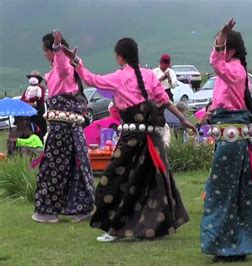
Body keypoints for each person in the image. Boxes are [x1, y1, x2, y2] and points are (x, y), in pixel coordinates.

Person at [62, 34, 194, 242]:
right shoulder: (150, 75)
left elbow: (91, 79)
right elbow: (166, 101)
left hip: (132, 139)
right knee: (148, 183)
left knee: (114, 181)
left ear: (121, 57)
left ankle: (114, 228)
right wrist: (184, 119)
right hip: (152, 139)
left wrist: (76, 61)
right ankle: (146, 226)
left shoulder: (120, 77)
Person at [200, 19, 252, 262]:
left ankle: (225, 245)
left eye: (223, 46)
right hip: (229, 137)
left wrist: (221, 38)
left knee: (221, 191)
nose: (218, 50)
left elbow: (214, 61)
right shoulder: (231, 73)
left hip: (232, 141)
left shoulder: (234, 69)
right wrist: (212, 112)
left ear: (231, 50)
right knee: (233, 191)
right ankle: (235, 245)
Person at [32, 31, 95, 224]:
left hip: (62, 128)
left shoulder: (64, 67)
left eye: (45, 50)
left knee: (53, 166)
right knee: (74, 165)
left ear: (52, 51)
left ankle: (49, 211)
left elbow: (64, 69)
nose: (44, 54)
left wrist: (59, 49)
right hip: (70, 127)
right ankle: (81, 207)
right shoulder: (64, 68)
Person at [21, 70, 47, 141]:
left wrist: (30, 99)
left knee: (41, 130)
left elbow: (40, 98)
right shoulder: (28, 89)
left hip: (39, 112)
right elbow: (22, 99)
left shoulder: (41, 89)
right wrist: (27, 101)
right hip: (29, 114)